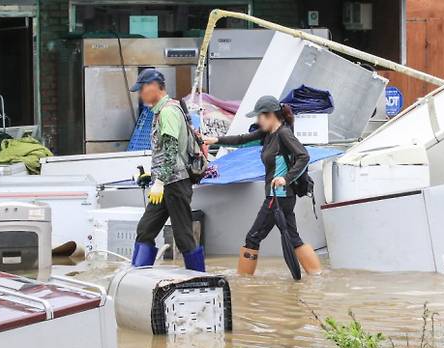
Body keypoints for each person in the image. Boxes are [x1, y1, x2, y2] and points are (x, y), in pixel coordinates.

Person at [203, 95, 321, 276]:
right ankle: (317, 277)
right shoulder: (267, 134)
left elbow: (303, 156)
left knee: (253, 237)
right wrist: (216, 140)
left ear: (271, 115)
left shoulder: (283, 134)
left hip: (279, 196)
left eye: (260, 116)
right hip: (281, 196)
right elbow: (242, 139)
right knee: (293, 237)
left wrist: (286, 179)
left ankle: (244, 283)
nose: (258, 120)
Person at [129, 68, 205, 272]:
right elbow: (164, 153)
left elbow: (171, 150)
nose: (140, 94)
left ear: (154, 87)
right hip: (164, 185)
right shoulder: (161, 111)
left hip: (175, 184)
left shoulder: (169, 111)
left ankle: (200, 280)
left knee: (183, 236)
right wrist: (153, 178)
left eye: (142, 89)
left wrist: (160, 182)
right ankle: (138, 276)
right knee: (145, 230)